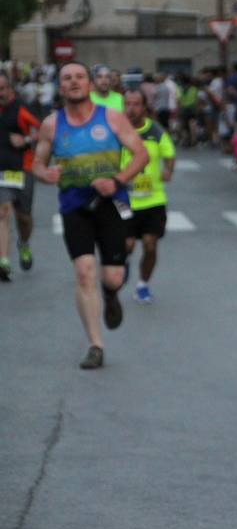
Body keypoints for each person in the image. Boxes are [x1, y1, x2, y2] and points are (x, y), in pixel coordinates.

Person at [31, 61, 149, 370]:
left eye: (79, 77)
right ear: (60, 86)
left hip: (111, 202)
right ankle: (96, 345)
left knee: (113, 276)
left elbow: (141, 154)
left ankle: (111, 294)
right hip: (74, 207)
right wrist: (46, 174)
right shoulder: (52, 125)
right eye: (67, 77)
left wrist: (117, 181)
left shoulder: (110, 117)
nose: (74, 82)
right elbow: (37, 164)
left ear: (90, 84)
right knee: (84, 272)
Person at [120, 89, 175, 304]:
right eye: (128, 104)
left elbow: (169, 153)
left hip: (153, 199)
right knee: (128, 244)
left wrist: (169, 170)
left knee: (150, 244)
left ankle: (143, 284)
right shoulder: (118, 132)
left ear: (144, 107)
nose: (131, 109)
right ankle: (122, 262)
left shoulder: (155, 131)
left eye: (136, 104)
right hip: (124, 200)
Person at [0, 72, 40, 281]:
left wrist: (25, 139)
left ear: (10, 89)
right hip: (1, 170)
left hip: (22, 169)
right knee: (3, 211)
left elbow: (41, 131)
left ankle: (23, 244)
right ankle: (3, 261)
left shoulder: (22, 109)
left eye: (2, 89)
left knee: (23, 218)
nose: (0, 94)